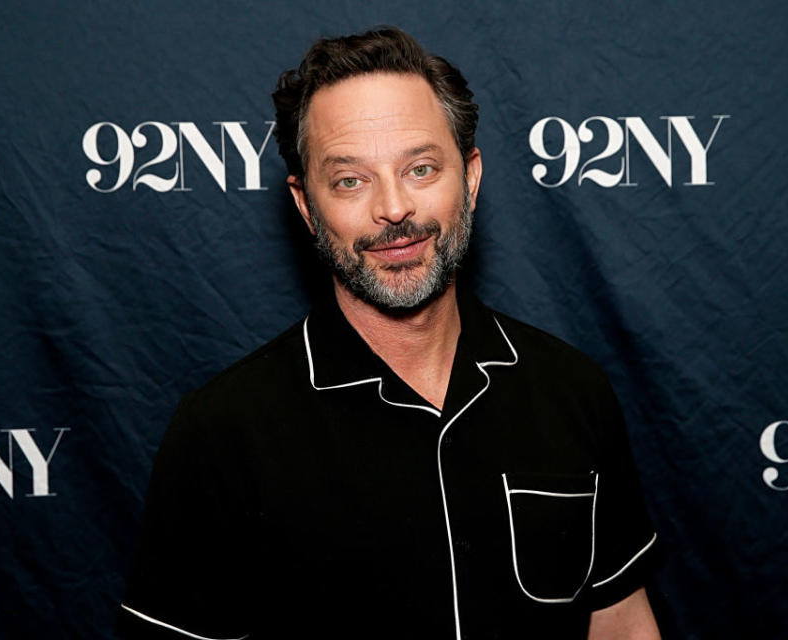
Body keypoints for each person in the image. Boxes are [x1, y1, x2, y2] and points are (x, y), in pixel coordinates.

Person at [117, 27, 661, 640]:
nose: (395, 209)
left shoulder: (572, 389)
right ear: (305, 205)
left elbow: (621, 625)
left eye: (422, 168)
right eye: (351, 179)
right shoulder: (222, 433)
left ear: (471, 178)